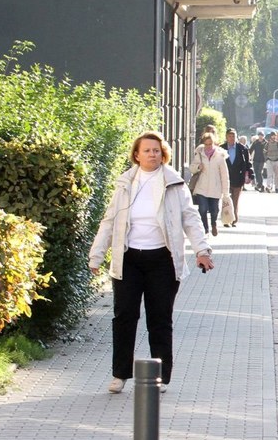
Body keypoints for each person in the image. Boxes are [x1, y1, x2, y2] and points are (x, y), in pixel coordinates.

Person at [89, 131, 214, 394]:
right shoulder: (125, 184)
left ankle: (160, 377)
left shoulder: (174, 184)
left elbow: (190, 218)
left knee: (159, 320)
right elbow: (109, 221)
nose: (152, 154)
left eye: (156, 150)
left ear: (163, 154)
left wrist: (202, 250)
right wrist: (97, 254)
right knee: (124, 317)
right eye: (146, 150)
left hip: (162, 260)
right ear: (136, 154)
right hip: (129, 258)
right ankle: (120, 374)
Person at [190, 132, 230, 235]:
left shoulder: (220, 156)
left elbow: (224, 175)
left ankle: (214, 224)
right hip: (201, 187)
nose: (208, 146)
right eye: (206, 144)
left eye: (210, 144)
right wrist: (198, 167)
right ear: (203, 143)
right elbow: (192, 167)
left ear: (214, 143)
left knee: (214, 210)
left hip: (215, 188)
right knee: (202, 209)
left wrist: (225, 192)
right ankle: (205, 228)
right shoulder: (199, 154)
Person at [222, 129, 251, 226]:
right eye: (229, 136)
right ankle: (226, 219)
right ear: (226, 137)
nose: (231, 138)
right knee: (227, 200)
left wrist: (250, 175)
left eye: (233, 136)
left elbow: (248, 163)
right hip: (226, 178)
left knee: (235, 200)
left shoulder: (242, 149)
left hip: (238, 178)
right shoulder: (221, 149)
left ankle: (234, 218)